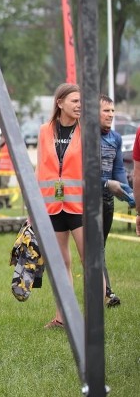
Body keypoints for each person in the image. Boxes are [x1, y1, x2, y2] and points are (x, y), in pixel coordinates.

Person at [36, 83, 88, 329]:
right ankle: (62, 317)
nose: (79, 105)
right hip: (52, 206)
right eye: (75, 101)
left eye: (81, 102)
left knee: (89, 260)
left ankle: (93, 316)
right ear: (60, 103)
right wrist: (33, 210)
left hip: (80, 205)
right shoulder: (45, 131)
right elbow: (40, 170)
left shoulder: (86, 131)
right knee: (60, 264)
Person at [99, 95, 134, 307]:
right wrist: (105, 183)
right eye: (106, 110)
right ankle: (107, 293)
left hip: (107, 201)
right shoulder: (84, 137)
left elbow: (119, 170)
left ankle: (103, 291)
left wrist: (130, 195)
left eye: (113, 111)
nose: (111, 114)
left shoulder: (116, 138)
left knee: (99, 248)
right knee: (94, 248)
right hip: (86, 201)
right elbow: (82, 172)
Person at [0, 135, 14, 209]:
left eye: (2, 137)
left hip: (6, 169)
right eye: (1, 136)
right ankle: (0, 203)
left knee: (4, 185)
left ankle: (7, 202)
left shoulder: (9, 145)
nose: (1, 138)